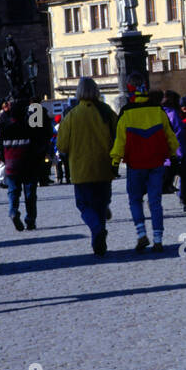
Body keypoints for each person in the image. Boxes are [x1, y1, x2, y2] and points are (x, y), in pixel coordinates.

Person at [111, 72, 179, 252]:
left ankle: (141, 234)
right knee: (155, 202)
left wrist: (114, 163)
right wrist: (173, 155)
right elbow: (170, 136)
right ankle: (158, 239)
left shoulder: (126, 113)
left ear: (129, 90)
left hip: (135, 164)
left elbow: (119, 142)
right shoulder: (158, 111)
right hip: (156, 162)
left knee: (135, 200)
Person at [57, 78, 118, 254]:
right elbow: (119, 134)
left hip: (81, 169)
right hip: (104, 166)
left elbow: (62, 145)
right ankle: (99, 245)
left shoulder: (72, 115)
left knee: (84, 205)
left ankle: (97, 230)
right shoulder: (106, 111)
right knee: (101, 205)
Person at [0, 98, 48, 231]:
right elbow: (37, 146)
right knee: (30, 194)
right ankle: (30, 220)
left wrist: (6, 161)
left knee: (13, 191)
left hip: (12, 167)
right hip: (28, 166)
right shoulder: (29, 128)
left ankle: (13, 211)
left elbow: (0, 151)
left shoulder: (5, 128)